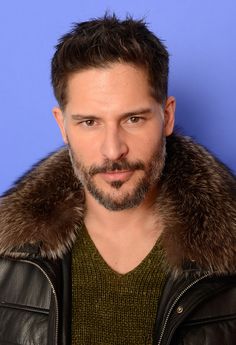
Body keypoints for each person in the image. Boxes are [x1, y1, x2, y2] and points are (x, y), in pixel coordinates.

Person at [0, 14, 235, 345]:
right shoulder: (8, 259)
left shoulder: (230, 250)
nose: (113, 150)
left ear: (167, 116)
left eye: (134, 118)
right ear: (62, 125)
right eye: (89, 122)